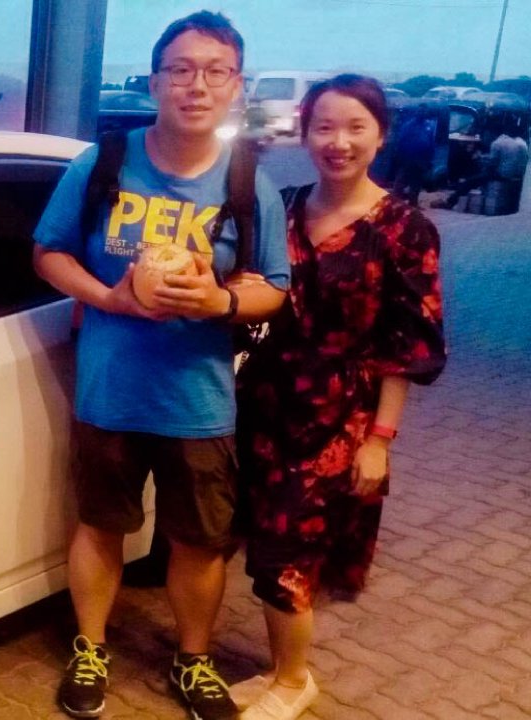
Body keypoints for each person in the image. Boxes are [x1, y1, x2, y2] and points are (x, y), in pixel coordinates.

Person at [32, 11, 290, 719]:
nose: (196, 85)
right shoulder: (103, 163)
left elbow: (275, 287)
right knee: (99, 524)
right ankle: (91, 648)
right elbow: (48, 252)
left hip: (199, 398)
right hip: (109, 389)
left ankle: (193, 659)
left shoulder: (249, 181)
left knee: (199, 542)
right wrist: (109, 297)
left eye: (215, 71)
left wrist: (216, 301)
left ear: (235, 85)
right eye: (180, 69)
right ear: (154, 82)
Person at [230, 74, 446, 720]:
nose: (338, 141)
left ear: (381, 136)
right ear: (305, 133)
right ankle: (278, 669)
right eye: (324, 126)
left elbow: (408, 345)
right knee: (261, 544)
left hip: (340, 416)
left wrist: (380, 440)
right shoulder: (284, 206)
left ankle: (294, 682)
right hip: (263, 401)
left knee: (285, 552)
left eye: (356, 127)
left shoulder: (405, 229)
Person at [437, 121, 529, 209]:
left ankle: (450, 201)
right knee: (479, 176)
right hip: (518, 175)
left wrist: (479, 160)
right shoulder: (521, 142)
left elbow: (492, 164)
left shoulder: (497, 143)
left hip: (503, 175)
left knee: (470, 181)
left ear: (491, 133)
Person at [389, 108, 435, 206]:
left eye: (424, 111)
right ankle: (396, 202)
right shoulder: (408, 125)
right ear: (416, 112)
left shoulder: (428, 126)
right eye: (420, 111)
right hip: (409, 156)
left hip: (422, 158)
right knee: (402, 180)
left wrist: (430, 159)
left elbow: (431, 142)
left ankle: (413, 203)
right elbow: (401, 140)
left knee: (416, 182)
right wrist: (400, 155)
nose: (422, 113)